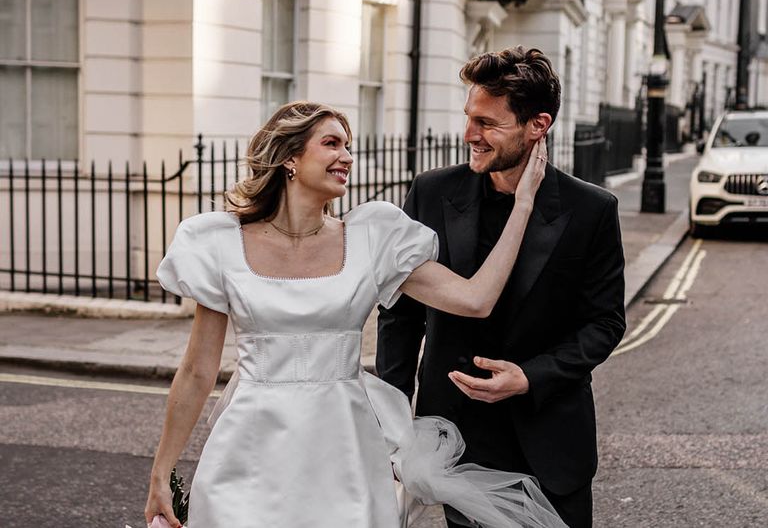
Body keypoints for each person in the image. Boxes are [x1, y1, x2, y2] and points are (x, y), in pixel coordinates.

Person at [144, 100, 563, 528]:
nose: (347, 156)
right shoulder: (219, 243)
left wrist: (523, 205)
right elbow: (197, 370)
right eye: (331, 144)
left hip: (343, 446)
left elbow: (477, 299)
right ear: (290, 157)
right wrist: (161, 472)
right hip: (249, 446)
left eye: (348, 146)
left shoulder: (373, 237)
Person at [376, 47, 627, 528]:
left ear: (538, 125)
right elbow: (399, 315)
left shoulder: (592, 209)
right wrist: (393, 423)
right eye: (470, 118)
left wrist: (530, 376)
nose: (470, 135)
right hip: (454, 439)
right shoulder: (431, 192)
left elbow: (605, 323)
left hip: (550, 438)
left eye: (487, 123)